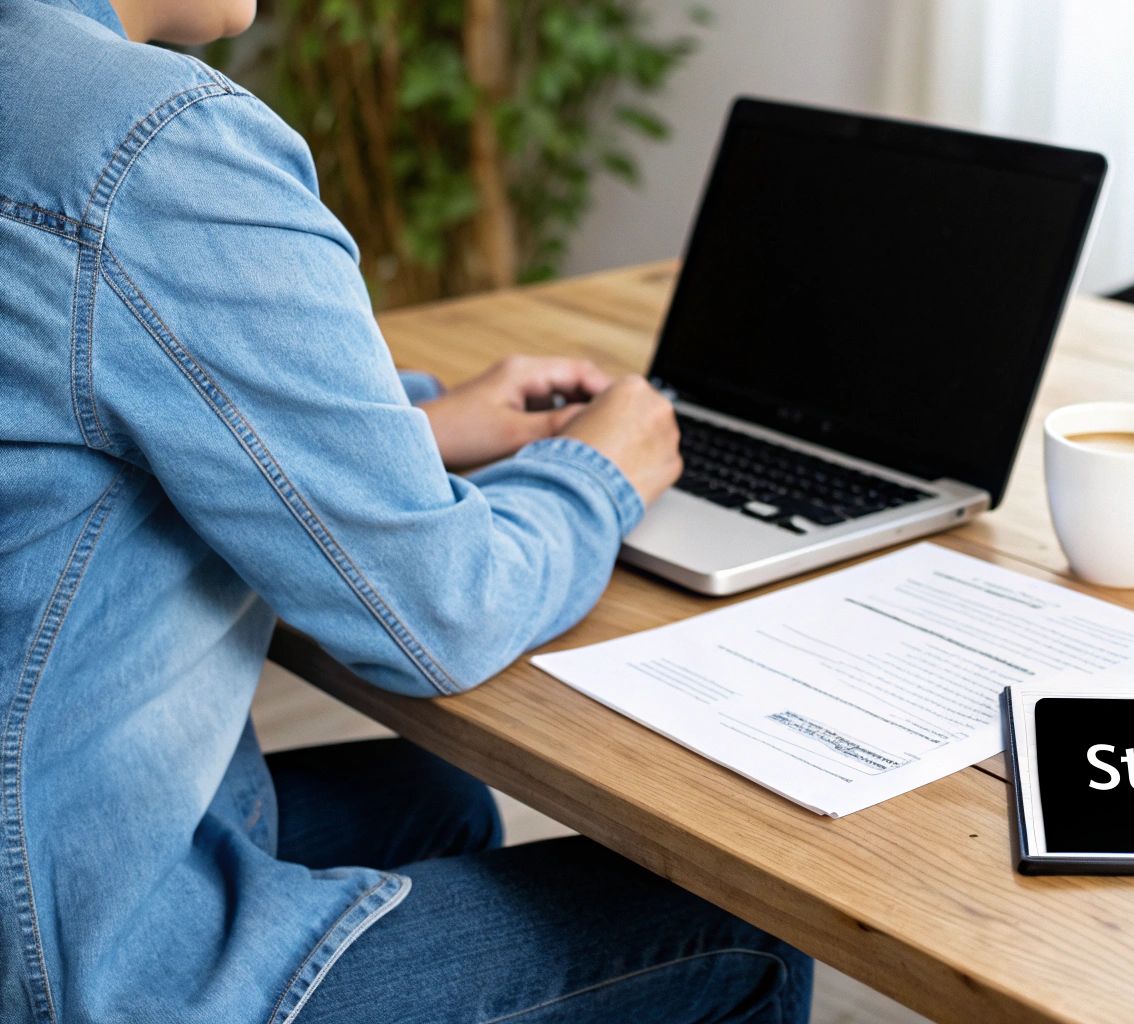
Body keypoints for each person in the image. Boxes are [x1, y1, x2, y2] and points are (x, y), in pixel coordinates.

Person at [0, 0, 814, 1021]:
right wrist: (598, 471)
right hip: (79, 962)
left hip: (58, 834)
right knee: (741, 934)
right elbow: (440, 612)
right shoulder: (145, 143)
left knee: (436, 800)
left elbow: (63, 425)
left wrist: (408, 423)